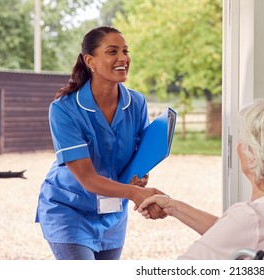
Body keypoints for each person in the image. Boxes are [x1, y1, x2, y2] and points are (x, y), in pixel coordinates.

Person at [35, 26, 167, 260]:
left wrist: (139, 179)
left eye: (125, 51)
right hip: (69, 210)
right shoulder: (64, 109)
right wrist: (135, 193)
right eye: (112, 51)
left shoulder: (136, 102)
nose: (123, 58)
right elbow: (87, 178)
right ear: (90, 61)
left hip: (112, 214)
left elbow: (138, 158)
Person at [137, 92, 264, 259]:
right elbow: (229, 234)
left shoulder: (250, 216)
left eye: (241, 139)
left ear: (254, 156)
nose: (238, 146)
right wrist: (172, 206)